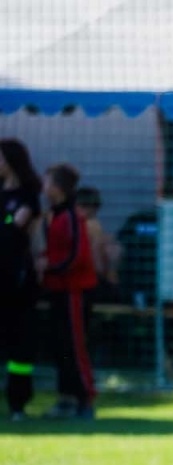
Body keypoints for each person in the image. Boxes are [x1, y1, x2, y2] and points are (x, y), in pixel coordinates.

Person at [39, 164, 97, 419]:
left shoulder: (72, 217)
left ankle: (85, 398)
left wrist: (50, 266)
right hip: (57, 290)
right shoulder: (53, 215)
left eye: (47, 182)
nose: (44, 187)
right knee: (59, 345)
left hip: (73, 290)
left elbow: (77, 256)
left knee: (75, 346)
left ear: (58, 188)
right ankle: (65, 398)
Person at [0, 139, 42, 420]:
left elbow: (16, 231)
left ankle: (18, 402)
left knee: (19, 342)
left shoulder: (28, 195)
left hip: (15, 278)